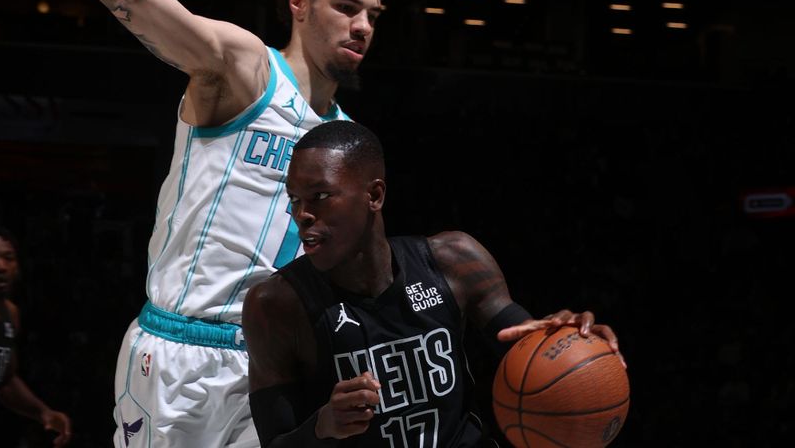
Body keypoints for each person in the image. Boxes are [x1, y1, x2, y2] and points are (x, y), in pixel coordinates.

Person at [95, 0, 398, 446]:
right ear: (299, 3)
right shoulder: (244, 69)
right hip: (177, 353)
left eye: (373, 14)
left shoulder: (344, 139)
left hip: (269, 363)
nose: (362, 25)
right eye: (346, 7)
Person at [242, 120, 625, 446]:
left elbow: (525, 351)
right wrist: (322, 427)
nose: (302, 215)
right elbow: (275, 441)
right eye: (294, 200)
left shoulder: (455, 261)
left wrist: (566, 340)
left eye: (320, 196)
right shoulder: (275, 304)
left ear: (374, 195)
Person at [0, 226, 73, 448]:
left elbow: (5, 380)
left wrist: (43, 413)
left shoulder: (10, 315)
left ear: (17, 267)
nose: (0, 266)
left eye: (7, 258)